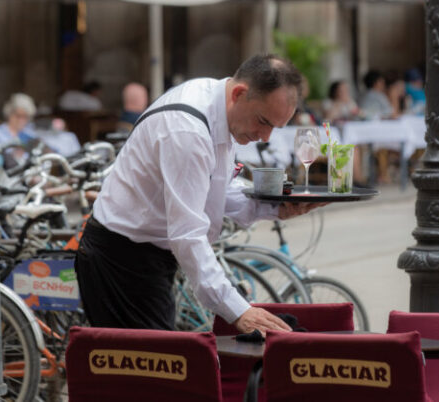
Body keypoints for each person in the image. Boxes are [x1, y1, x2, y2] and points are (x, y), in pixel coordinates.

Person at [77, 54, 322, 334]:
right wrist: (237, 310)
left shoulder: (219, 104)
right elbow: (187, 233)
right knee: (149, 371)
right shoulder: (188, 131)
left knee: (157, 368)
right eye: (263, 121)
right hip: (120, 261)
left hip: (144, 255)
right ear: (239, 94)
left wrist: (276, 207)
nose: (264, 137)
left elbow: (217, 189)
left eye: (274, 128)